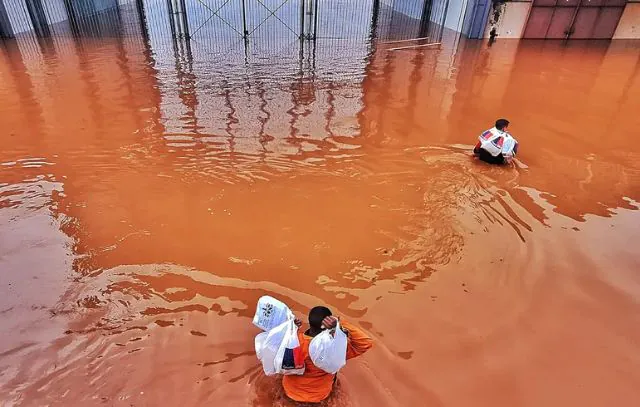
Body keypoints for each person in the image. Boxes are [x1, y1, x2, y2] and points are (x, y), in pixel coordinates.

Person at [282, 306, 373, 404]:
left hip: (290, 392)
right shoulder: (335, 349)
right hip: (320, 396)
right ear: (327, 325)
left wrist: (290, 329)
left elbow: (271, 343)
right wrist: (340, 323)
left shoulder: (292, 341)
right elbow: (366, 342)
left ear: (310, 322)